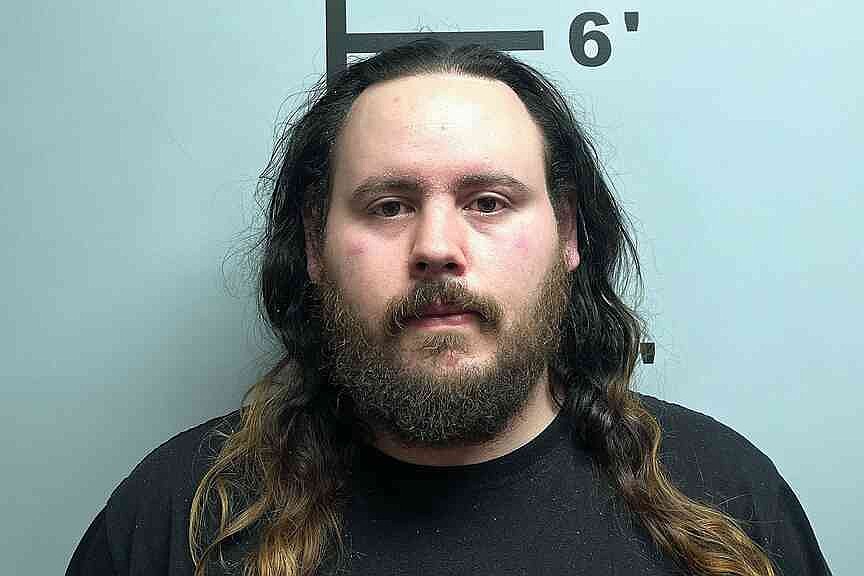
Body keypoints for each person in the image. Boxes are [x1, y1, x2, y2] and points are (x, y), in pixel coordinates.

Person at [66, 39, 832, 576]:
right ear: (313, 245)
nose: (436, 246)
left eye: (488, 201)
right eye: (389, 205)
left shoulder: (729, 501)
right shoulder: (175, 520)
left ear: (568, 233)